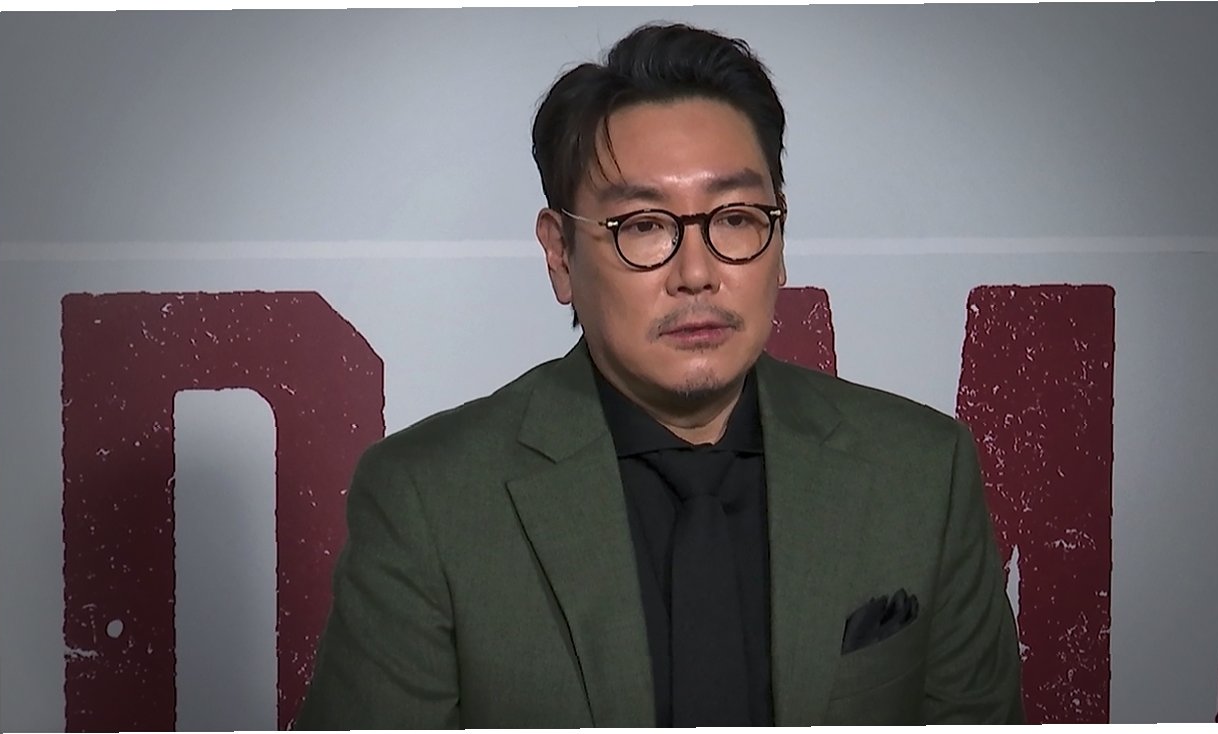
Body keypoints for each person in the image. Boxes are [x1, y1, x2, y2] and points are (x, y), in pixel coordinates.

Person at [295, 22, 1023, 728]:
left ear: (780, 236)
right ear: (559, 255)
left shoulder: (922, 474)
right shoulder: (429, 501)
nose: (697, 273)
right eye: (643, 226)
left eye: (735, 217)